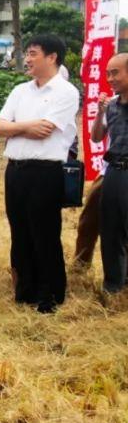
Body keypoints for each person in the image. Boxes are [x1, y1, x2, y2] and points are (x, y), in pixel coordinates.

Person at [0, 35, 80, 311]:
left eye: (33, 54)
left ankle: (50, 294)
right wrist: (25, 128)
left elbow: (47, 129)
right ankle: (26, 290)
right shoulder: (20, 90)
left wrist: (17, 126)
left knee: (44, 233)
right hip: (16, 170)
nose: (27, 59)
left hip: (46, 172)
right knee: (19, 231)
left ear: (52, 57)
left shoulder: (66, 92)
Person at [93, 53, 128, 292]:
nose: (110, 78)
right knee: (110, 228)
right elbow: (97, 137)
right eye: (107, 73)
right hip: (114, 171)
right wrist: (99, 112)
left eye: (115, 72)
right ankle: (113, 284)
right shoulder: (112, 105)